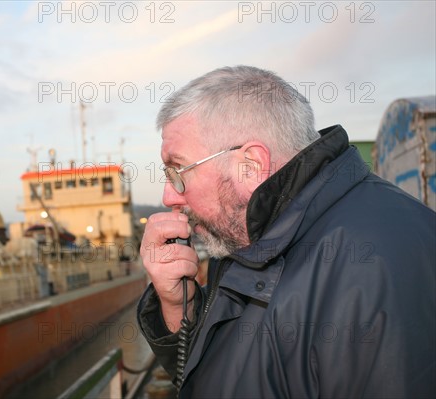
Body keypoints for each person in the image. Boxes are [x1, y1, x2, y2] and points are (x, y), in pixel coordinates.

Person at [137, 65, 436, 398]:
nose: (168, 196)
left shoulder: (377, 268)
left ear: (250, 166)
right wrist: (178, 308)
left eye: (178, 171)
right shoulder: (249, 234)